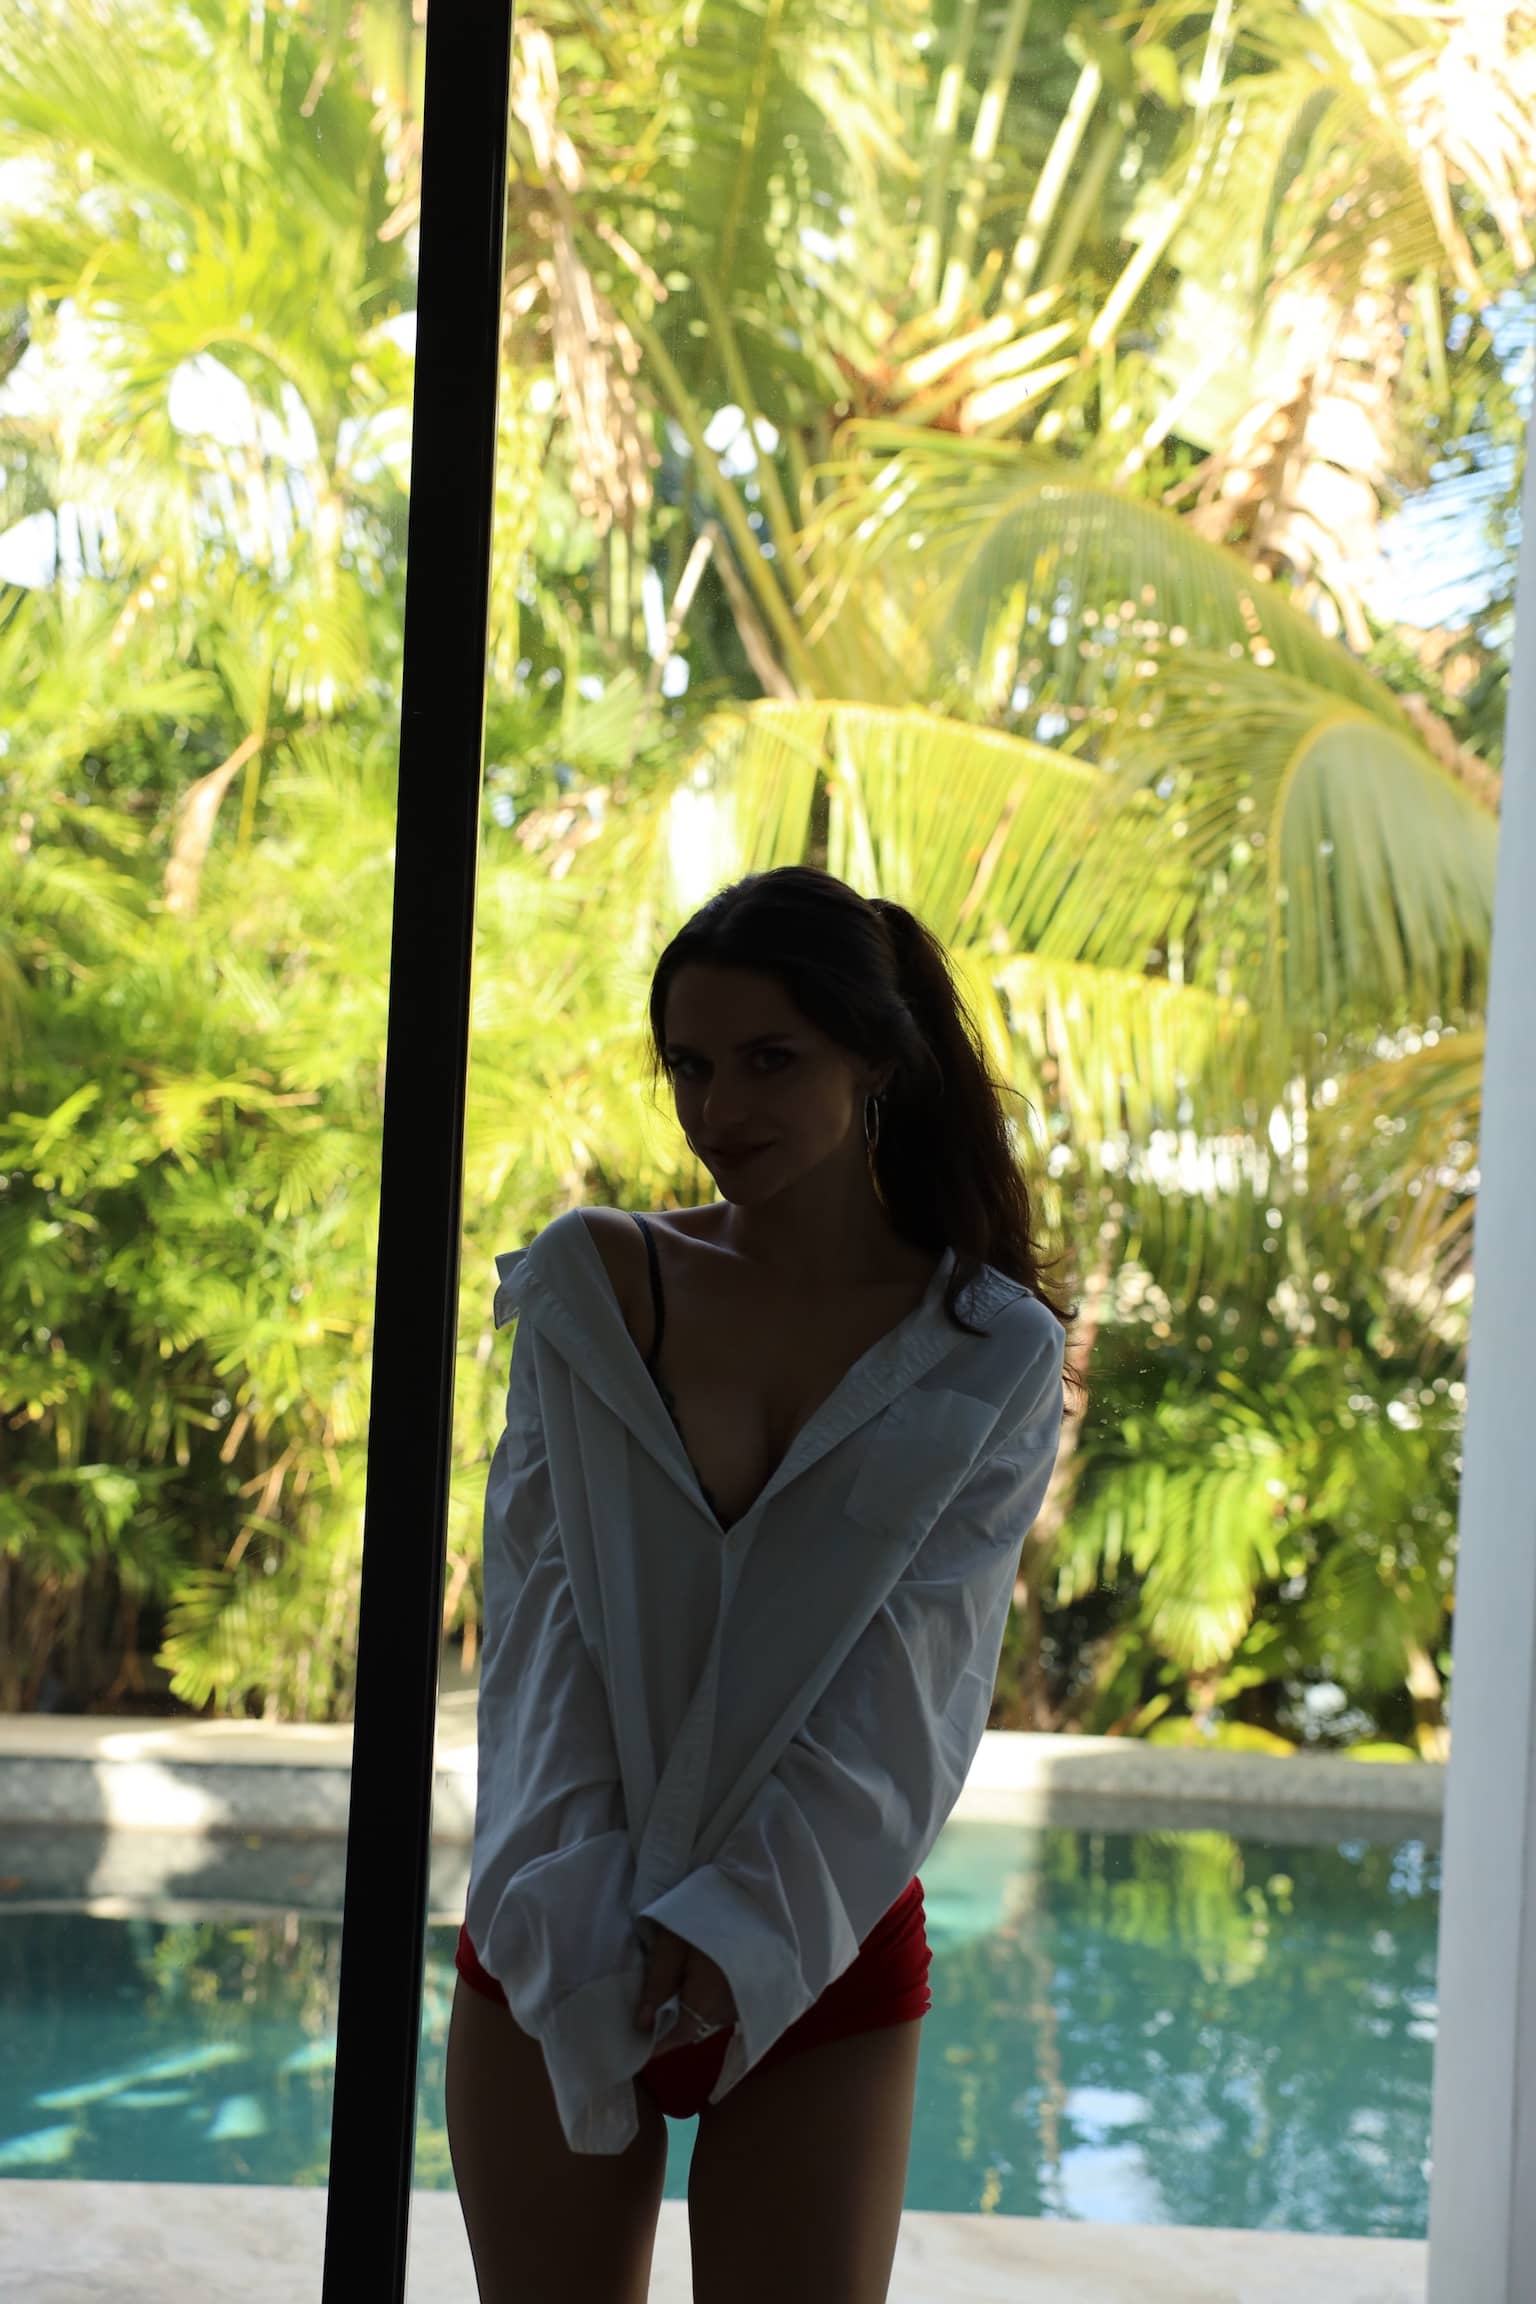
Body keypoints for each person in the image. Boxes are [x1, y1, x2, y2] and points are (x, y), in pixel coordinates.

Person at [445, 865, 1070, 2304]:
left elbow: (912, 1691)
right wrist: (583, 1906)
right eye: (690, 1066)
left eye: (770, 1060)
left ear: (875, 1059)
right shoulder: (593, 1287)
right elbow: (542, 1631)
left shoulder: (991, 1352)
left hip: (820, 1934)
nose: (719, 1108)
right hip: (554, 1911)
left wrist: (740, 1932)